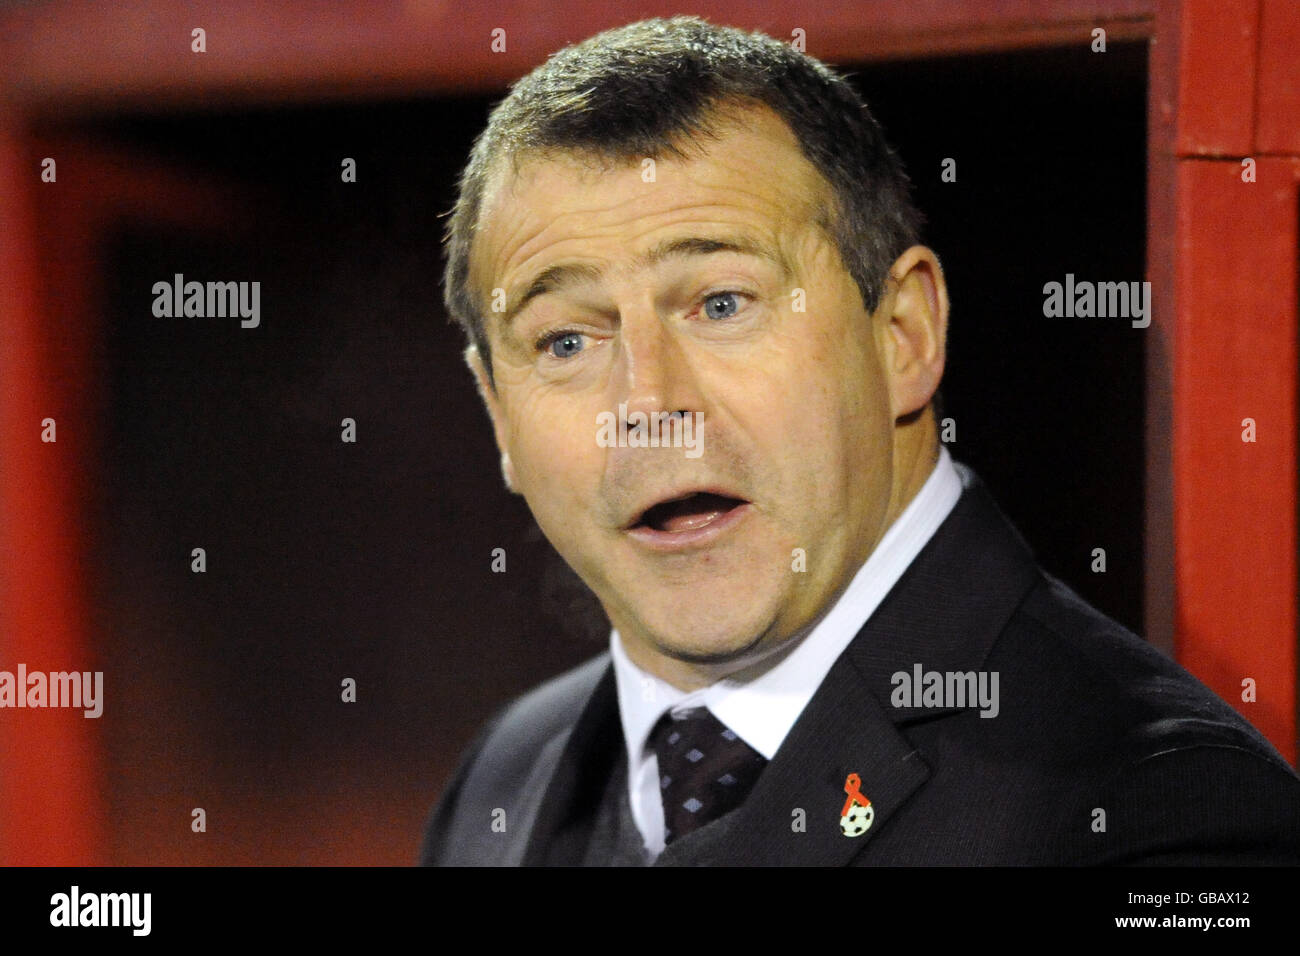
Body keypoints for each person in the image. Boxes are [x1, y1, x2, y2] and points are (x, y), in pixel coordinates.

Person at [420, 16, 1300, 866]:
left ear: (904, 335)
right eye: (567, 342)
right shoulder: (502, 775)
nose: (647, 404)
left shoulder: (1168, 815)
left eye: (722, 304)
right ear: (498, 412)